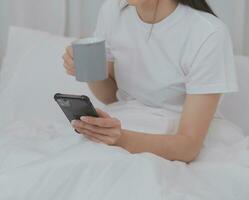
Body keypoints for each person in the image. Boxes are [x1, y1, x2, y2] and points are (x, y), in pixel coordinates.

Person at [63, 0, 238, 163]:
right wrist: (87, 69)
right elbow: (111, 97)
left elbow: (189, 147)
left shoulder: (208, 32)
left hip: (175, 138)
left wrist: (121, 139)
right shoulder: (113, 10)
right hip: (129, 121)